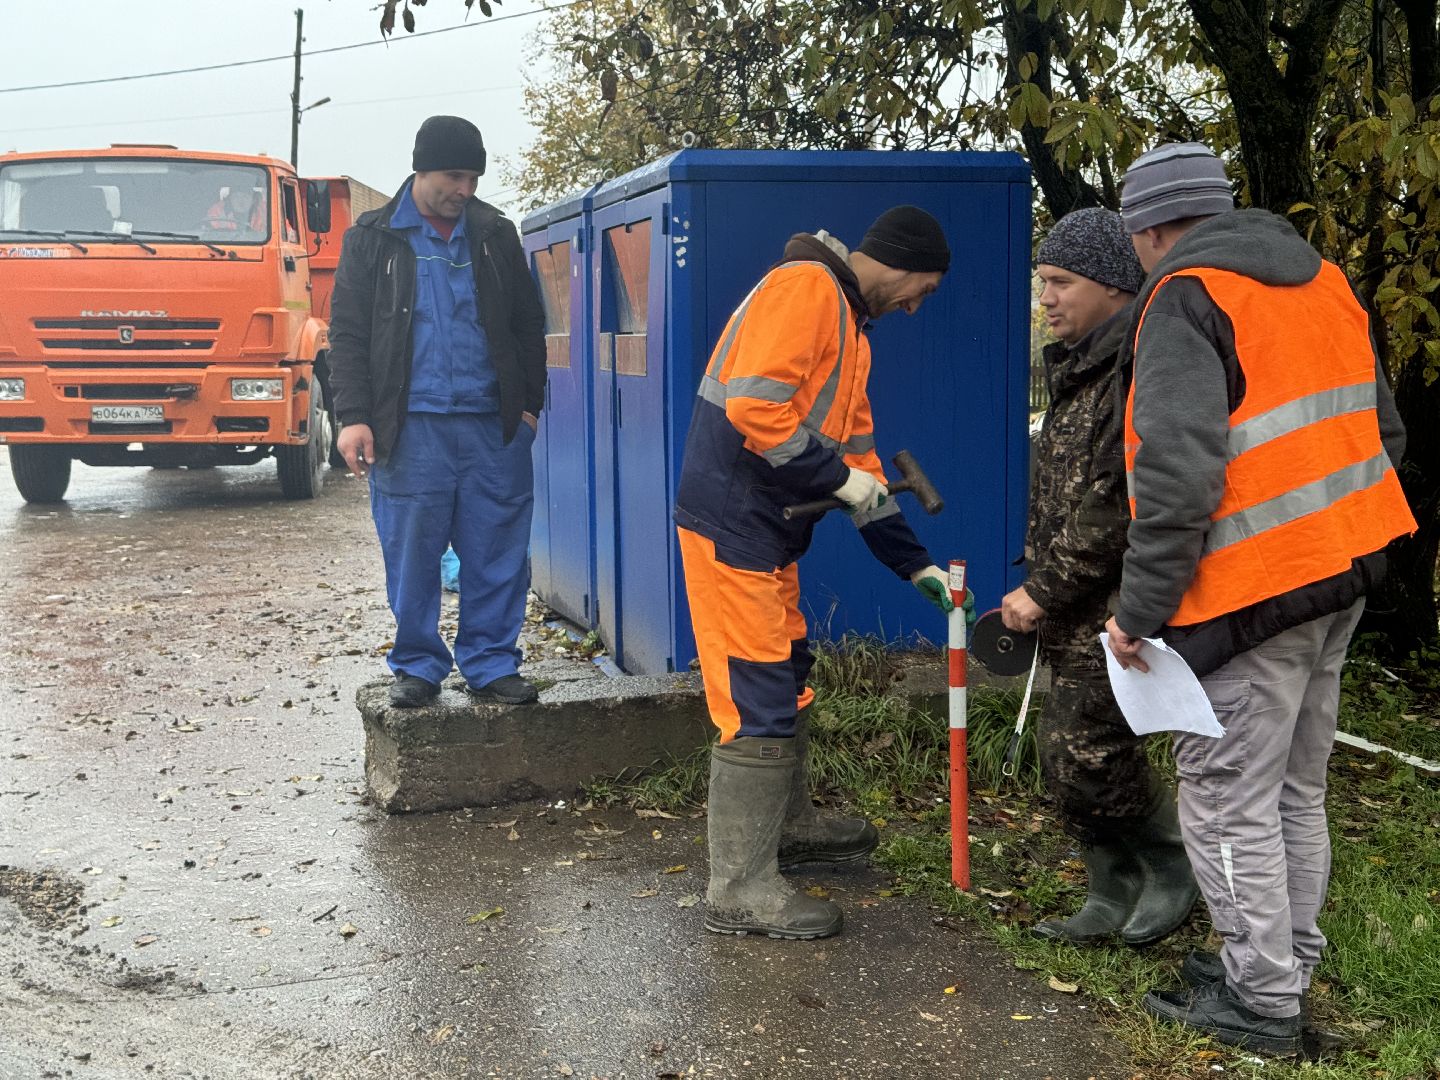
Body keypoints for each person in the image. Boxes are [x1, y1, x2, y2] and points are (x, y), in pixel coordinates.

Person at [1104, 142, 1416, 1054]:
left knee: (1226, 794)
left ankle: (1262, 1000)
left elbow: (1175, 477)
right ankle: (1281, 964)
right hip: (1344, 572)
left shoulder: (1183, 297)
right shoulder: (1322, 282)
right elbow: (1384, 433)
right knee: (1292, 789)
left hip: (1252, 594)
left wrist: (1139, 612)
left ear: (1149, 229)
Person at [675, 206, 964, 940]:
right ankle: (738, 889)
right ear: (900, 264)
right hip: (732, 527)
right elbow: (754, 407)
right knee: (755, 698)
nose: (917, 306)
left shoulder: (850, 328)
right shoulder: (806, 288)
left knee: (788, 676)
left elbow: (863, 466)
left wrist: (915, 565)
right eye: (924, 289)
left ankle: (788, 829)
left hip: (767, 534)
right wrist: (839, 479)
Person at [1000, 207, 1197, 946]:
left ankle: (1172, 865)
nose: (1046, 299)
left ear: (1114, 284)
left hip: (1115, 604)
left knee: (1089, 749)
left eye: (1061, 282)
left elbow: (1114, 505)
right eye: (1043, 282)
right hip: (1073, 606)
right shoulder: (1079, 368)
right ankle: (1108, 888)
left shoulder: (1131, 370)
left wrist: (1043, 588)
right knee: (1068, 754)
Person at [328, 115, 546, 709]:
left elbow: (528, 325)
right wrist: (353, 416)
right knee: (412, 555)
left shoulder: (494, 234)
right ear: (422, 169)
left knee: (498, 552)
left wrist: (529, 409)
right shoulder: (372, 238)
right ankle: (419, 666)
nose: (464, 190)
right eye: (454, 176)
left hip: (492, 427)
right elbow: (347, 333)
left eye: (473, 178)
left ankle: (491, 663)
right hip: (409, 429)